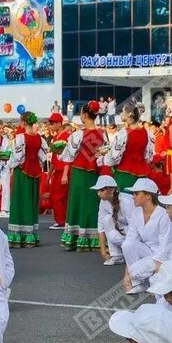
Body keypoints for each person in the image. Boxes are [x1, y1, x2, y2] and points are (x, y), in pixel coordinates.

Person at [60, 101, 106, 251]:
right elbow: (105, 152)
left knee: (78, 203)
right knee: (92, 204)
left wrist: (65, 173)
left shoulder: (78, 134)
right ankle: (94, 238)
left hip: (80, 172)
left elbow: (69, 156)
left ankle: (76, 236)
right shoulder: (102, 133)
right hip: (95, 173)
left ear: (85, 115)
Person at [121, 178, 172, 295]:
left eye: (136, 193)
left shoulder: (164, 215)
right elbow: (130, 241)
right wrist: (126, 275)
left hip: (164, 257)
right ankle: (138, 283)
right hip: (147, 252)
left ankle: (152, 280)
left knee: (135, 271)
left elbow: (165, 247)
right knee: (127, 244)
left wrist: (157, 274)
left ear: (148, 196)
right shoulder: (136, 213)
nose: (133, 197)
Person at [6, 111, 48, 248]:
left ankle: (18, 235)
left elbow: (17, 158)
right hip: (35, 172)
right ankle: (31, 235)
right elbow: (42, 157)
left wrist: (9, 163)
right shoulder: (40, 139)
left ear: (23, 122)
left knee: (20, 201)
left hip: (22, 172)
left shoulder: (20, 138)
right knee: (31, 201)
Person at [104, 106, 153, 191]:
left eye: (123, 112)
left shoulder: (124, 133)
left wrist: (103, 158)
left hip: (125, 172)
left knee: (124, 200)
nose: (121, 114)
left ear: (129, 115)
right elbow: (149, 155)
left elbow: (114, 156)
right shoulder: (147, 133)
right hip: (142, 173)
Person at [95, 175, 133, 267]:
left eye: (102, 190)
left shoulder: (126, 201)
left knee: (117, 236)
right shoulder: (103, 202)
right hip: (124, 229)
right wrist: (103, 251)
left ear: (112, 190)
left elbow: (135, 226)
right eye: (98, 191)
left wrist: (131, 247)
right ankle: (116, 255)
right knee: (106, 219)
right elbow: (101, 226)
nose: (99, 193)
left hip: (135, 231)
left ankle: (134, 251)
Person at [46, 114, 70, 227]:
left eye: (54, 123)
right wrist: (49, 174)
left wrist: (65, 174)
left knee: (59, 196)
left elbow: (69, 157)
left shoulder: (66, 136)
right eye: (51, 123)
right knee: (54, 196)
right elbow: (54, 158)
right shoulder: (55, 138)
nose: (52, 125)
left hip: (64, 170)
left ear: (60, 123)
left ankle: (62, 221)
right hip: (57, 170)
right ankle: (62, 220)